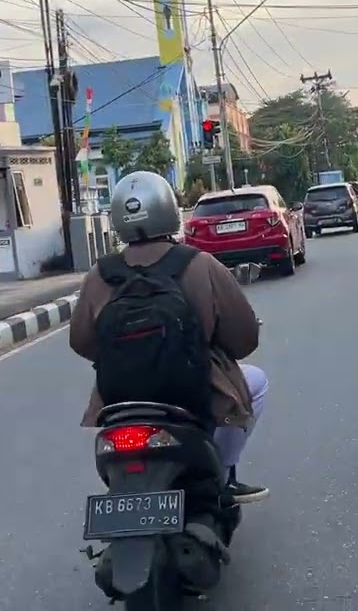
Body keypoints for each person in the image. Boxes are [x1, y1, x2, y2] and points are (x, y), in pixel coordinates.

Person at [70, 170, 269, 503]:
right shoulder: (201, 264)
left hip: (118, 397)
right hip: (193, 390)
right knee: (257, 381)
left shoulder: (99, 275)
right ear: (169, 210)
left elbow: (81, 341)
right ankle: (223, 476)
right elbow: (244, 340)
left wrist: (127, 356)